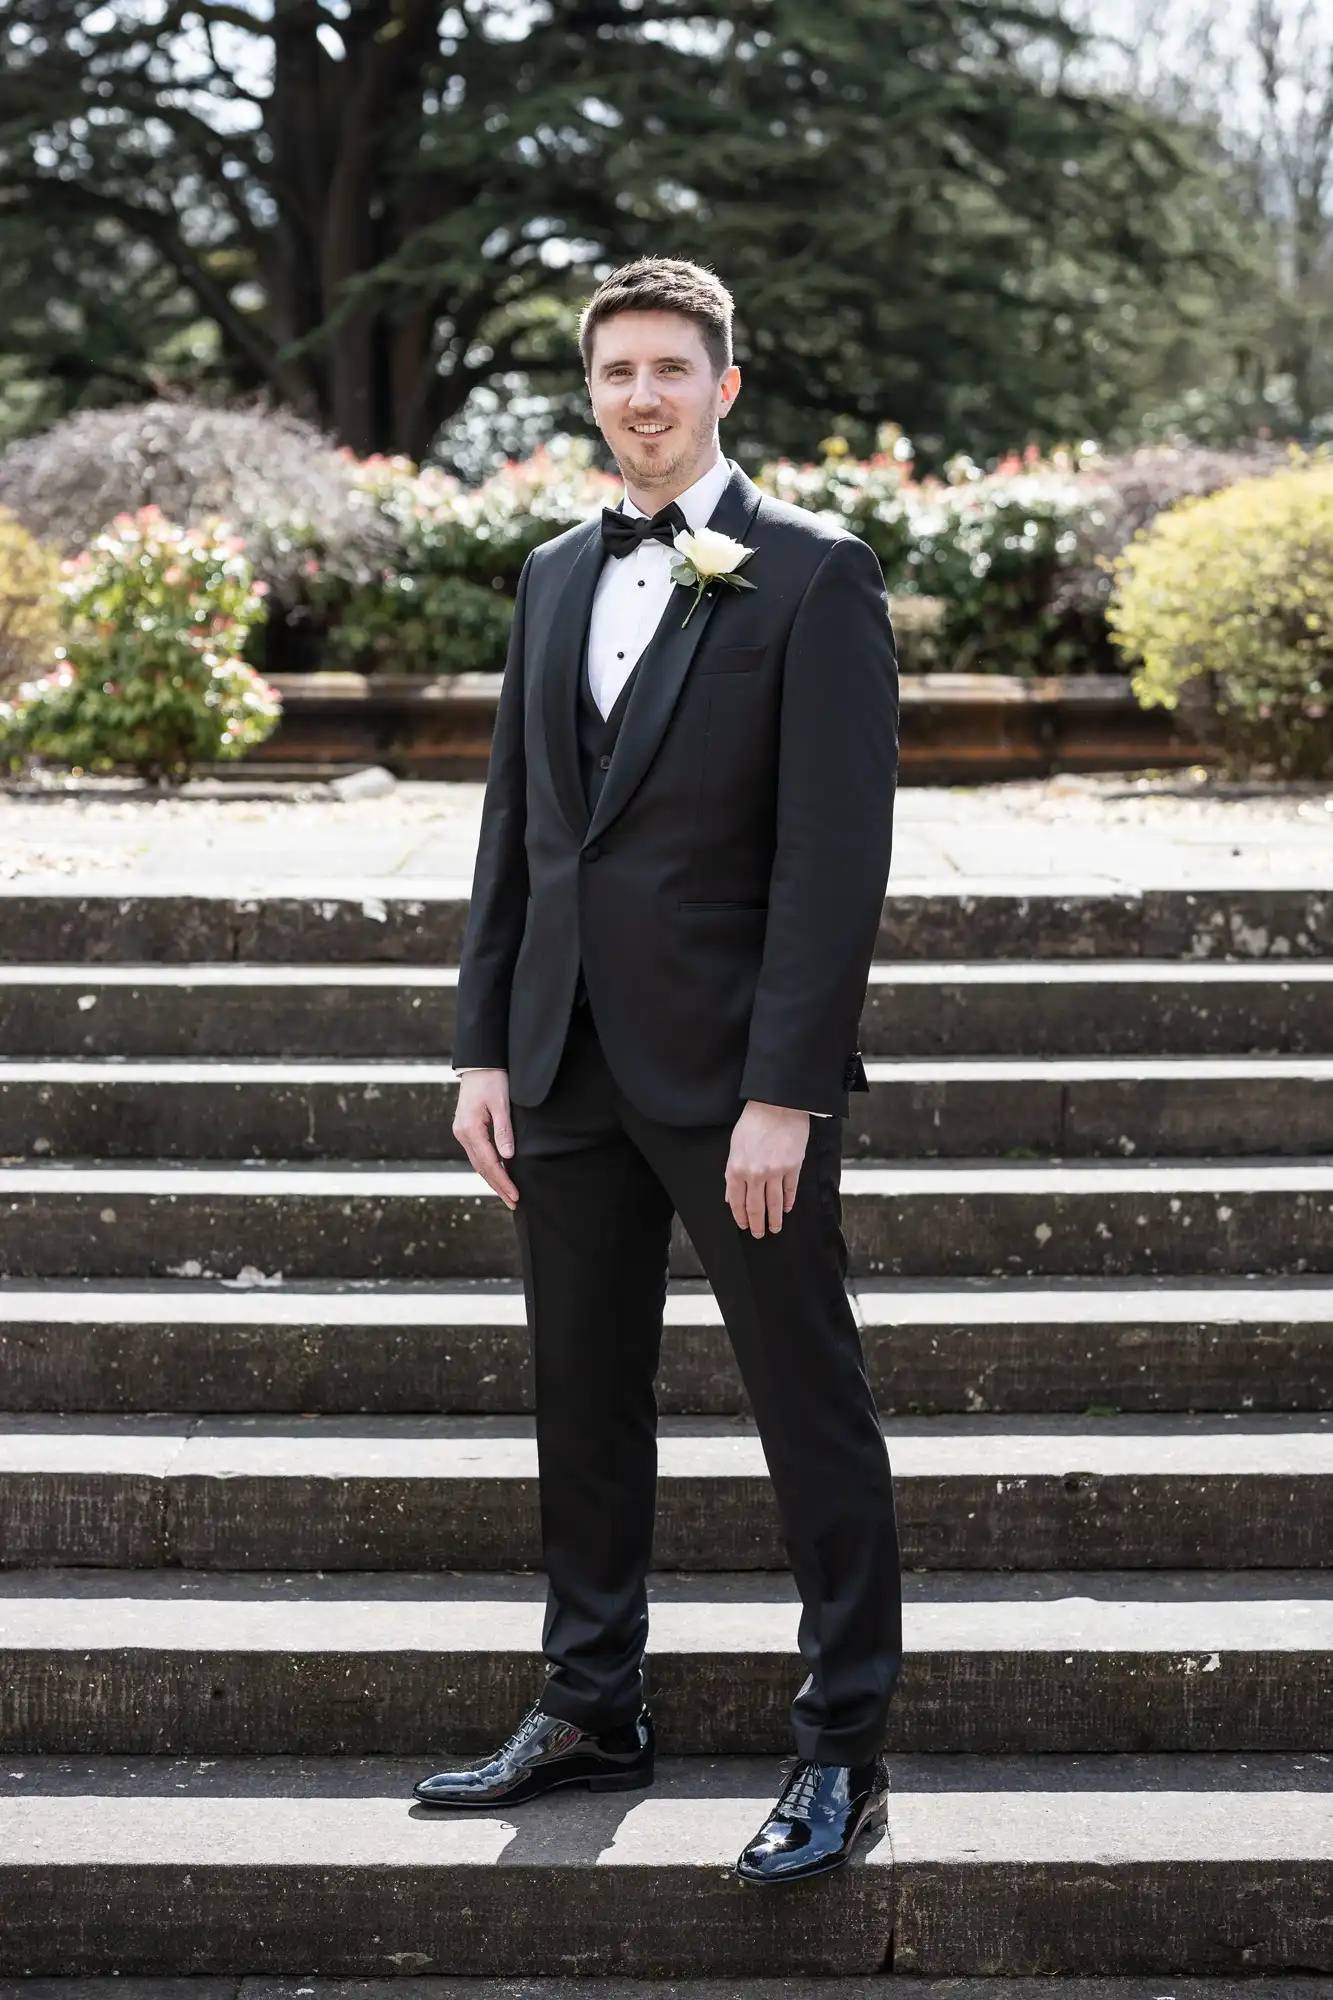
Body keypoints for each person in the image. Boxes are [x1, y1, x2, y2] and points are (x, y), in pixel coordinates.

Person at [414, 256, 902, 1887]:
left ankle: (842, 1747)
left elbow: (835, 865)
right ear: (592, 387)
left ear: (724, 387)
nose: (641, 396)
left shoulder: (815, 578)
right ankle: (591, 1706)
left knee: (804, 1405)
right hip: (558, 1067)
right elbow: (516, 832)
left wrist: (792, 1087)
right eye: (617, 370)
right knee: (583, 1404)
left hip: (735, 1083)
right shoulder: (555, 572)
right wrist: (483, 1041)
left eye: (670, 370)